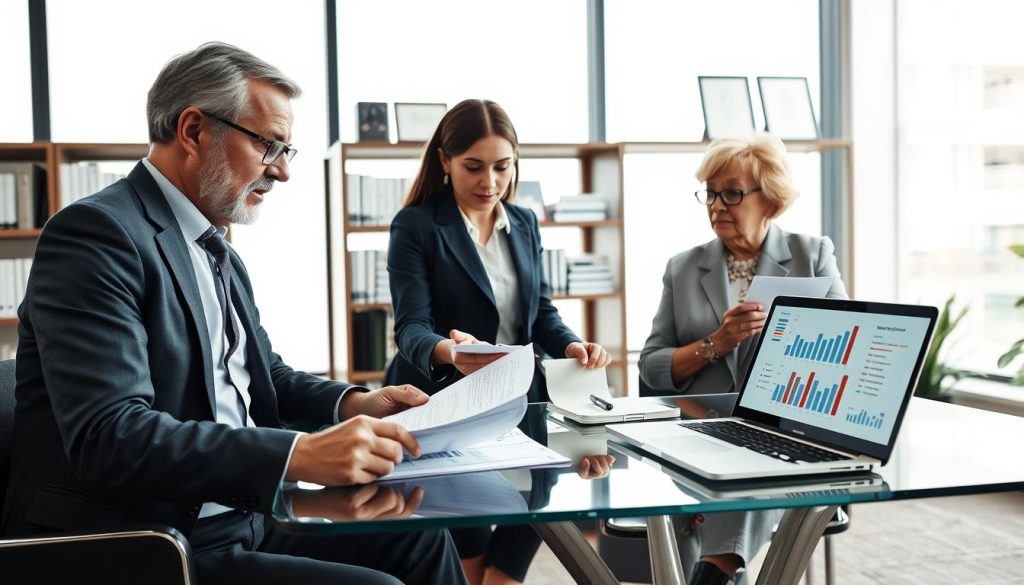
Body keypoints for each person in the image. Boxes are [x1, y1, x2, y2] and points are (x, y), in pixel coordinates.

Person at [0, 42, 466, 585]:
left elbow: (261, 373)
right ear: (194, 130)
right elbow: (113, 435)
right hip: (145, 540)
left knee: (422, 536)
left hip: (237, 512)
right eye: (270, 145)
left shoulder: (213, 244)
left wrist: (353, 402)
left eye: (286, 151)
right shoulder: (96, 236)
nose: (283, 172)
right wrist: (297, 453)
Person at [385, 98, 611, 585]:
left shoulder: (524, 223)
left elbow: (540, 313)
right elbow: (410, 330)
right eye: (474, 167)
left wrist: (573, 346)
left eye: (502, 167)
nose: (490, 182)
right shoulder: (417, 226)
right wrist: (456, 354)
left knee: (510, 564)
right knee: (466, 563)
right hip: (444, 406)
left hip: (521, 405)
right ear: (445, 162)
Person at [638, 134, 849, 585]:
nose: (717, 205)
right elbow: (651, 367)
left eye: (731, 193)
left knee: (751, 472)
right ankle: (716, 572)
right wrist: (715, 343)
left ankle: (712, 573)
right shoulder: (683, 267)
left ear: (769, 198)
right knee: (733, 480)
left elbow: (848, 347)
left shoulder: (812, 255)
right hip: (697, 435)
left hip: (783, 434)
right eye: (710, 194)